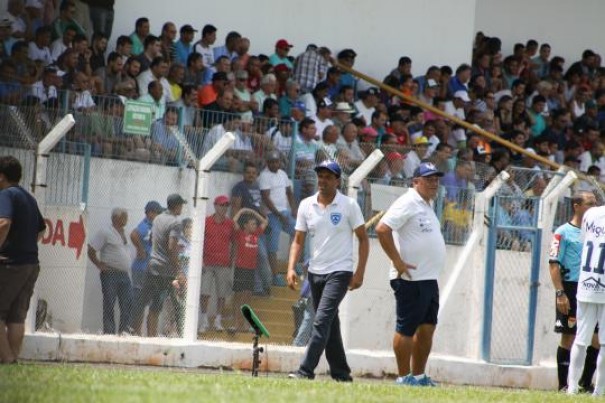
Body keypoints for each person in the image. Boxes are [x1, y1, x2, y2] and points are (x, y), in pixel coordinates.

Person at [286, 160, 369, 381]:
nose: (322, 181)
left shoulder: (349, 205)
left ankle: (305, 370)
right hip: (315, 272)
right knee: (331, 322)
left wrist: (359, 272)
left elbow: (363, 239)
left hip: (340, 272)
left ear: (337, 181)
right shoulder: (306, 205)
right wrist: (290, 267)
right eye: (320, 176)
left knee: (321, 320)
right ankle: (341, 374)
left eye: (328, 177)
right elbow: (298, 240)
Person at [375, 162, 446, 387]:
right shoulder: (408, 201)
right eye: (428, 179)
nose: (434, 183)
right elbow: (382, 229)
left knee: (427, 328)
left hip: (428, 278)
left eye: (436, 179)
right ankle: (404, 378)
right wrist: (397, 261)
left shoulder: (426, 204)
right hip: (410, 279)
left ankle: (418, 377)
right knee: (406, 329)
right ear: (415, 182)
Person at [549, 191, 599, 392]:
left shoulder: (596, 232)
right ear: (576, 206)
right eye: (590, 203)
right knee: (569, 336)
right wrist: (560, 293)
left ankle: (585, 383)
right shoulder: (563, 232)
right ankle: (563, 385)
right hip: (570, 288)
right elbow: (553, 264)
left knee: (596, 340)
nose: (594, 208)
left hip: (593, 287)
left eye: (596, 204)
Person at [0, 156, 46, 364]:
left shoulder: (6, 195)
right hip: (30, 264)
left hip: (10, 264)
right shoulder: (29, 197)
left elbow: (3, 223)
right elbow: (41, 230)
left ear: (1, 177)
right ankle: (11, 359)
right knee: (16, 318)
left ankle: (8, 358)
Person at [132, 193, 186, 337]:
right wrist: (179, 270)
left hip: (152, 266)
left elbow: (150, 240)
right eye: (181, 205)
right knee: (160, 306)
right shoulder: (176, 223)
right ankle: (154, 337)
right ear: (177, 206)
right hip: (165, 270)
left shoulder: (157, 219)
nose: (182, 208)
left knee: (142, 302)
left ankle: (135, 333)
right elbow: (172, 247)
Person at [568, 199, 605, 395]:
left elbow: (584, 241)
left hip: (586, 283)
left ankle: (571, 388)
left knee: (580, 341)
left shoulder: (590, 214)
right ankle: (598, 392)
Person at [88, 208, 133, 335]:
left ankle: (124, 332)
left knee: (128, 302)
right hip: (110, 274)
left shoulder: (124, 233)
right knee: (109, 303)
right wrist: (98, 264)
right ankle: (109, 333)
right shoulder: (105, 232)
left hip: (124, 275)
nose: (126, 218)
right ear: (115, 218)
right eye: (124, 216)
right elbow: (91, 249)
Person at [259, 151, 296, 287]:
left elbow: (289, 192)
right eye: (272, 162)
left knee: (299, 232)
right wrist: (279, 215)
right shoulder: (264, 176)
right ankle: (275, 276)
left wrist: (294, 209)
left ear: (280, 162)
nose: (275, 164)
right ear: (267, 163)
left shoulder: (283, 174)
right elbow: (266, 198)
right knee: (272, 247)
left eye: (276, 161)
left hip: (284, 212)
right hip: (271, 214)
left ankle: (294, 264)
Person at [199, 195, 234, 333]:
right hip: (207, 262)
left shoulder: (230, 224)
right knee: (205, 292)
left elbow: (234, 242)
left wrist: (232, 259)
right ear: (215, 206)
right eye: (222, 205)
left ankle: (218, 320)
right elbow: (200, 241)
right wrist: (200, 260)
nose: (224, 208)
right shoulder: (206, 222)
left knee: (221, 294)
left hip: (223, 263)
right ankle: (204, 320)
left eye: (226, 205)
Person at [231, 207, 268, 332]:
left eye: (255, 224)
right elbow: (234, 221)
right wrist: (242, 211)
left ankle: (246, 324)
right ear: (245, 225)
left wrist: (253, 213)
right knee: (238, 296)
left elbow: (264, 222)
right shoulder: (240, 233)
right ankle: (236, 323)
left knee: (247, 297)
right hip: (240, 268)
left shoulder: (256, 234)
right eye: (252, 224)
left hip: (251, 270)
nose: (255, 226)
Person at [130, 201, 164, 316]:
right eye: (157, 213)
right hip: (142, 269)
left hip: (150, 270)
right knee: (139, 302)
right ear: (150, 213)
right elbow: (133, 234)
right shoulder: (146, 225)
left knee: (150, 304)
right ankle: (134, 331)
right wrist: (140, 249)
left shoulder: (154, 226)